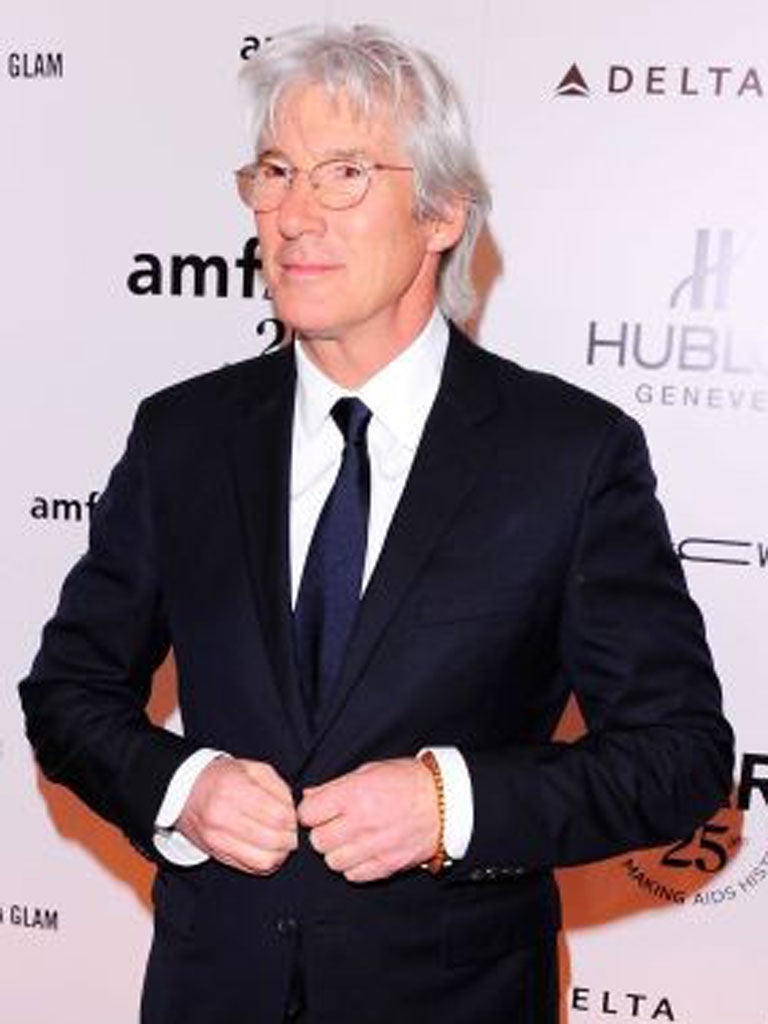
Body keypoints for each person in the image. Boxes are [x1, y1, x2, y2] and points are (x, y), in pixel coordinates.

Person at [20, 24, 733, 1024]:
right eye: (275, 173)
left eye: (345, 174)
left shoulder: (569, 454)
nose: (293, 215)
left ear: (442, 212)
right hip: (211, 990)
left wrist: (451, 804)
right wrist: (181, 787)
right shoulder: (184, 434)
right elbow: (68, 691)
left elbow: (679, 756)